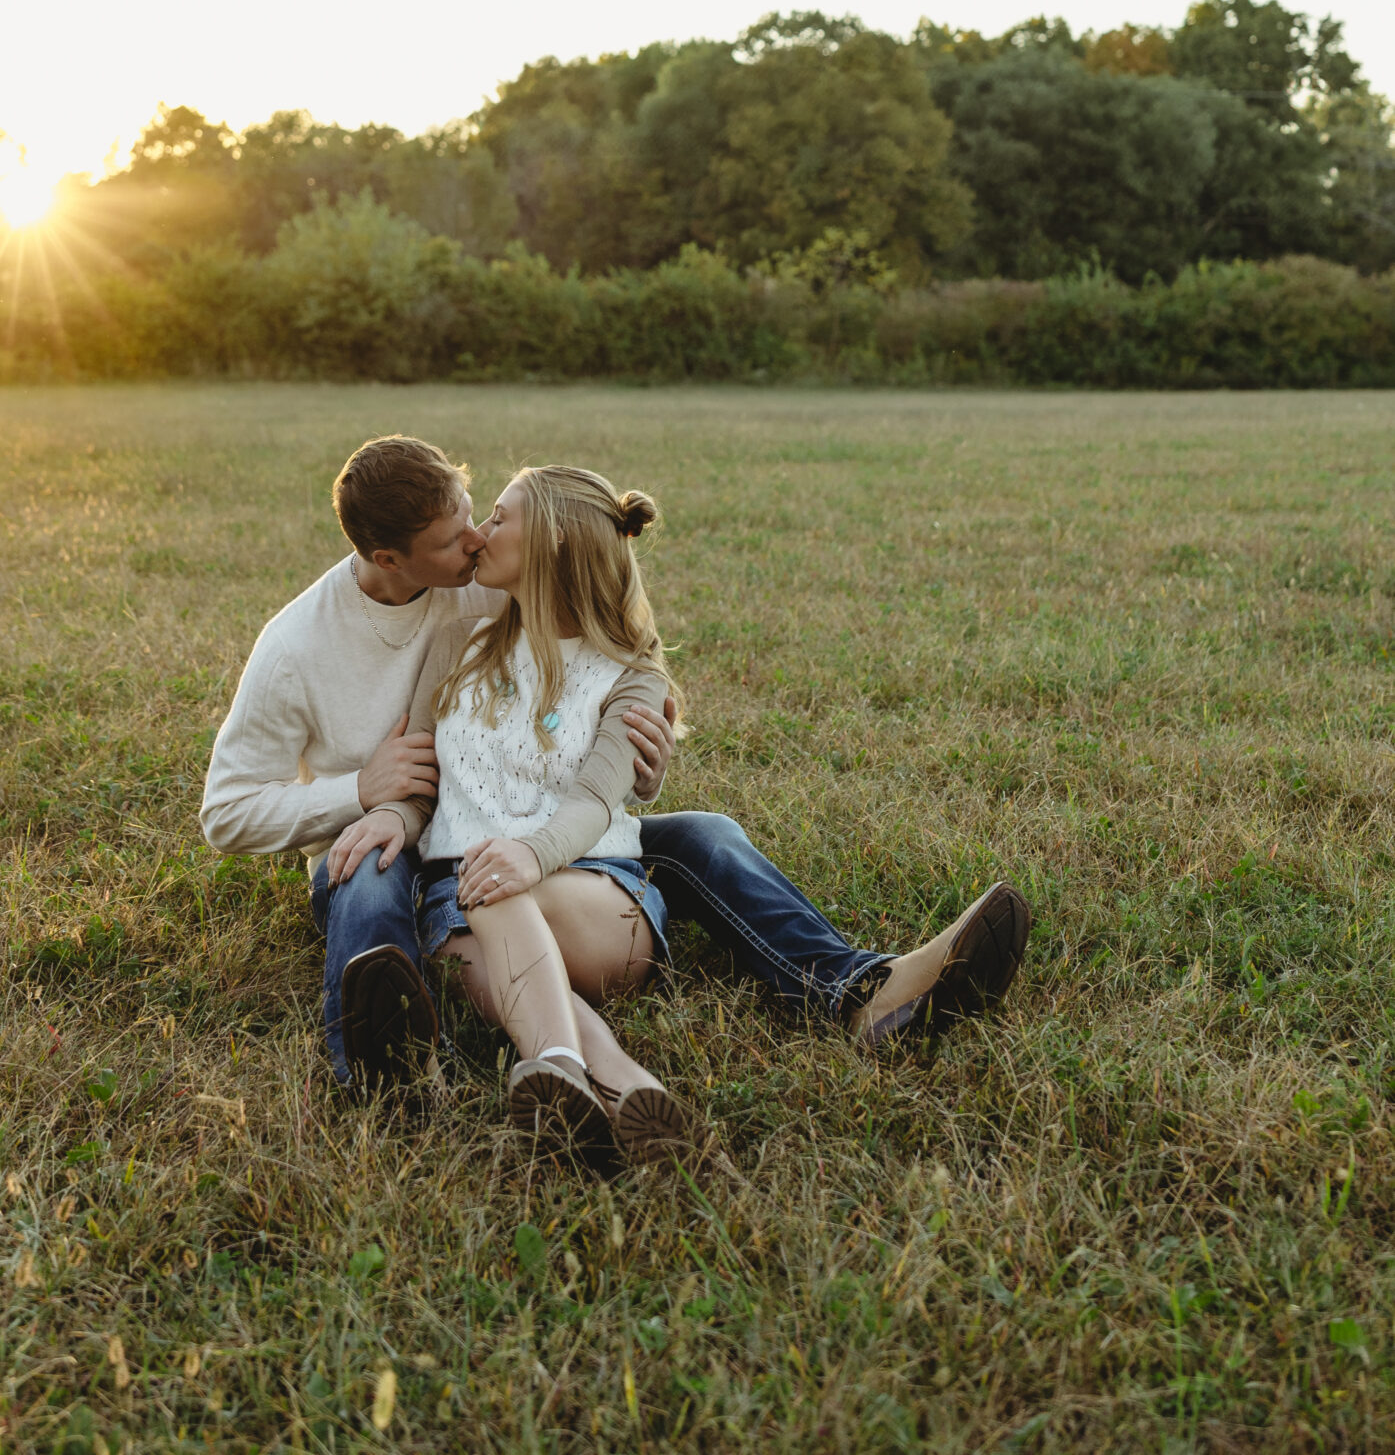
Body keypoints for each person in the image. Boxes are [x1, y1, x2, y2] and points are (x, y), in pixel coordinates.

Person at [200, 436, 1029, 1089]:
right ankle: (385, 1049)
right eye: (457, 538)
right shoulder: (297, 646)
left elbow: (595, 617)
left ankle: (855, 990)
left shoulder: (479, 579)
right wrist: (364, 794)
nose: (478, 539)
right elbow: (226, 813)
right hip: (398, 841)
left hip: (523, 830)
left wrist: (638, 749)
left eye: (478, 516)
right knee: (375, 875)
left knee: (699, 833)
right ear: (390, 559)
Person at [326, 466, 690, 1164]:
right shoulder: (457, 646)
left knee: (492, 871)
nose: (478, 534)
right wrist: (395, 819)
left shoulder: (633, 673)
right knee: (490, 893)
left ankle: (552, 1064)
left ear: (551, 539)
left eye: (497, 517)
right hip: (469, 912)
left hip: (595, 899)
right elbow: (422, 772)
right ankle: (626, 1087)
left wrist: (528, 854)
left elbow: (592, 800)